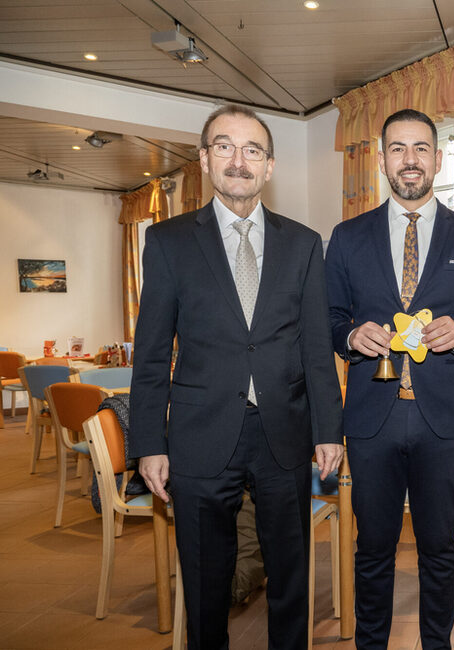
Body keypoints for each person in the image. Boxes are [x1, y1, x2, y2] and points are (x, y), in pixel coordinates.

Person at [129, 104, 344, 650]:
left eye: (253, 151)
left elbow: (318, 348)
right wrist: (148, 444)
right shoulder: (168, 241)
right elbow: (152, 354)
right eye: (224, 146)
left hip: (284, 435)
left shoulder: (303, 244)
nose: (239, 161)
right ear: (204, 160)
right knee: (205, 583)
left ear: (269, 166)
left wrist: (328, 431)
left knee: (290, 580)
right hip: (201, 437)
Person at [324, 108, 454, 649]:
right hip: (371, 418)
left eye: (421, 148)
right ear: (382, 159)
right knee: (373, 549)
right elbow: (327, 320)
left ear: (438, 157)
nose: (410, 160)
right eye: (398, 149)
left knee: (438, 548)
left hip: (444, 422)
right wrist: (348, 337)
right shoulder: (347, 236)